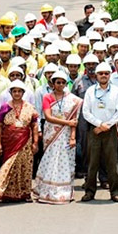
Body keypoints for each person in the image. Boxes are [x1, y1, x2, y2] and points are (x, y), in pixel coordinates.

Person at [35, 71, 80, 204]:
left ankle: (64, 192)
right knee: (50, 160)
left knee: (65, 161)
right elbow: (48, 117)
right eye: (57, 82)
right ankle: (47, 191)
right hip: (51, 134)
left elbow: (74, 120)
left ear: (66, 84)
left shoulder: (72, 100)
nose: (60, 85)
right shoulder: (47, 97)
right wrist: (67, 122)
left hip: (66, 135)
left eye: (62, 82)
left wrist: (73, 137)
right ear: (53, 84)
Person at [81, 62, 118, 202]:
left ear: (110, 75)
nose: (103, 76)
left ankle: (115, 192)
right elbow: (86, 112)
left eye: (106, 73)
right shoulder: (90, 91)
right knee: (92, 162)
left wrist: (107, 125)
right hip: (94, 130)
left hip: (110, 130)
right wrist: (99, 124)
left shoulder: (116, 91)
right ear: (96, 75)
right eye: (101, 73)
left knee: (112, 163)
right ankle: (89, 191)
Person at [0, 80, 40, 202]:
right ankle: (6, 193)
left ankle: (25, 193)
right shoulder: (5, 107)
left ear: (23, 93)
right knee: (9, 166)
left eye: (19, 91)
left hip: (25, 141)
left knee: (25, 166)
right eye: (14, 91)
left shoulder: (29, 107)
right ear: (11, 93)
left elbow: (34, 125)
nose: (17, 93)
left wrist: (35, 142)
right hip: (9, 141)